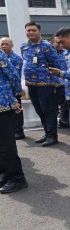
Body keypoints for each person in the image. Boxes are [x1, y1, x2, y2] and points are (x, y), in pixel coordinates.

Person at [21, 21, 66, 146]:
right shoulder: (24, 46)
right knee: (39, 110)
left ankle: (52, 136)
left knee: (49, 110)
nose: (30, 32)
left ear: (39, 32)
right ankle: (47, 133)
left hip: (45, 84)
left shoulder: (47, 46)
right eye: (28, 30)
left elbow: (56, 63)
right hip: (31, 83)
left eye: (33, 30)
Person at [0, 49, 27, 193]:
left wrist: (15, 97)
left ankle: (16, 178)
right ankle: (5, 174)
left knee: (6, 145)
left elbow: (13, 75)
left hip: (3, 105)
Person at [0, 38, 25, 140]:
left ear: (12, 45)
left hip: (14, 89)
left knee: (16, 110)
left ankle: (19, 131)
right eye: (2, 44)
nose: (4, 46)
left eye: (7, 44)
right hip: (4, 91)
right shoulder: (2, 56)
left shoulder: (16, 58)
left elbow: (15, 76)